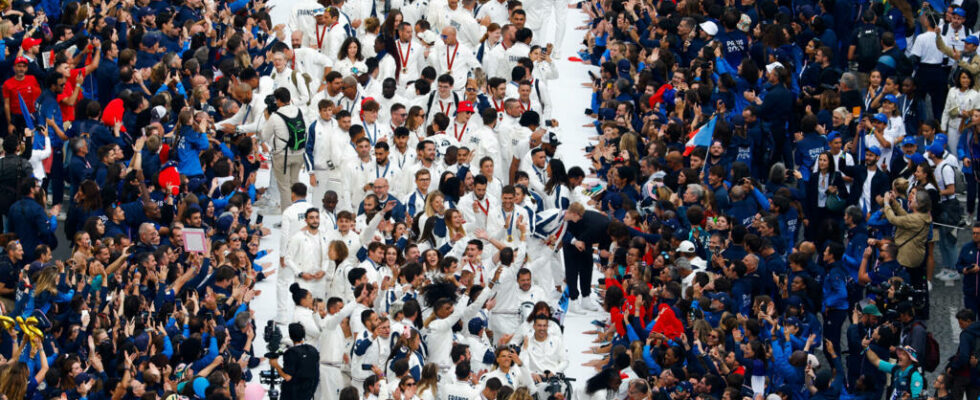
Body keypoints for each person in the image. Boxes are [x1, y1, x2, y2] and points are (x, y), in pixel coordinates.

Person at [262, 87, 308, 212]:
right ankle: (299, 212)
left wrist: (274, 143)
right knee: (295, 183)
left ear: (278, 100)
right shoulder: (299, 111)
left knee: (284, 187)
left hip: (282, 155)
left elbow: (264, 135)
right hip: (299, 153)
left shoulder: (275, 116)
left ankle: (288, 216)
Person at [270, 323, 321, 400]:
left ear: (290, 336)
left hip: (292, 395)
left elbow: (287, 377)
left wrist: (275, 364)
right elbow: (316, 375)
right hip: (307, 394)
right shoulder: (313, 350)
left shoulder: (291, 353)